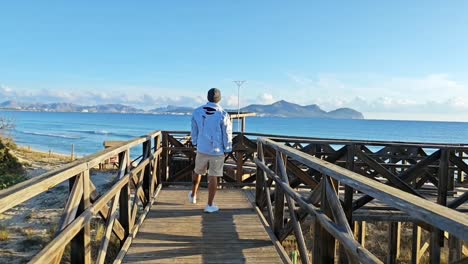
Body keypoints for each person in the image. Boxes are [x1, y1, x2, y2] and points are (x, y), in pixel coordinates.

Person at [189, 88, 232, 213]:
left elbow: (194, 130)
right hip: (217, 150)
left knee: (197, 171)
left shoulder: (197, 112)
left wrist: (195, 142)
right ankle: (210, 204)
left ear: (207, 97)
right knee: (213, 176)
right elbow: (227, 134)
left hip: (202, 148)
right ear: (220, 98)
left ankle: (193, 195)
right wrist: (227, 148)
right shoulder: (223, 114)